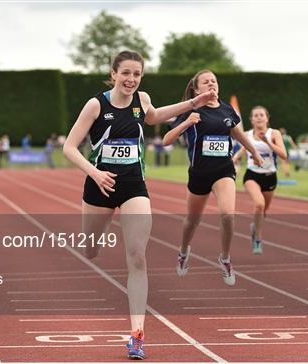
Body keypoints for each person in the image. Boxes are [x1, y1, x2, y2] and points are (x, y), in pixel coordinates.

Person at [63, 50, 217, 360]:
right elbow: (69, 147)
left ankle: (136, 335)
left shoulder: (142, 100)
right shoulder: (97, 105)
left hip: (134, 186)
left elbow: (156, 115)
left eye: (137, 74)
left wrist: (192, 103)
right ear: (114, 73)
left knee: (137, 256)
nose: (131, 79)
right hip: (99, 186)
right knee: (90, 248)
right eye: (126, 73)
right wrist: (95, 173)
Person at [163, 70, 264, 285]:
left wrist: (253, 152)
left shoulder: (227, 109)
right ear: (196, 89)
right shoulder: (191, 109)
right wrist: (187, 122)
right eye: (206, 82)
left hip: (223, 170)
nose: (211, 84)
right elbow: (166, 140)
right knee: (192, 221)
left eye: (214, 81)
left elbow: (237, 133)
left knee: (228, 215)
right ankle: (183, 252)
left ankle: (225, 258)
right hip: (199, 173)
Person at [232, 106, 287, 254]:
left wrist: (268, 142)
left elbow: (284, 155)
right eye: (255, 115)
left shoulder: (274, 133)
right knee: (259, 204)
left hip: (270, 176)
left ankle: (255, 227)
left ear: (267, 118)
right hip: (252, 175)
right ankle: (258, 238)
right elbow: (242, 150)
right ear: (251, 119)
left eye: (261, 115)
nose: (259, 117)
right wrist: (235, 158)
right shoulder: (247, 134)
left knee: (263, 212)